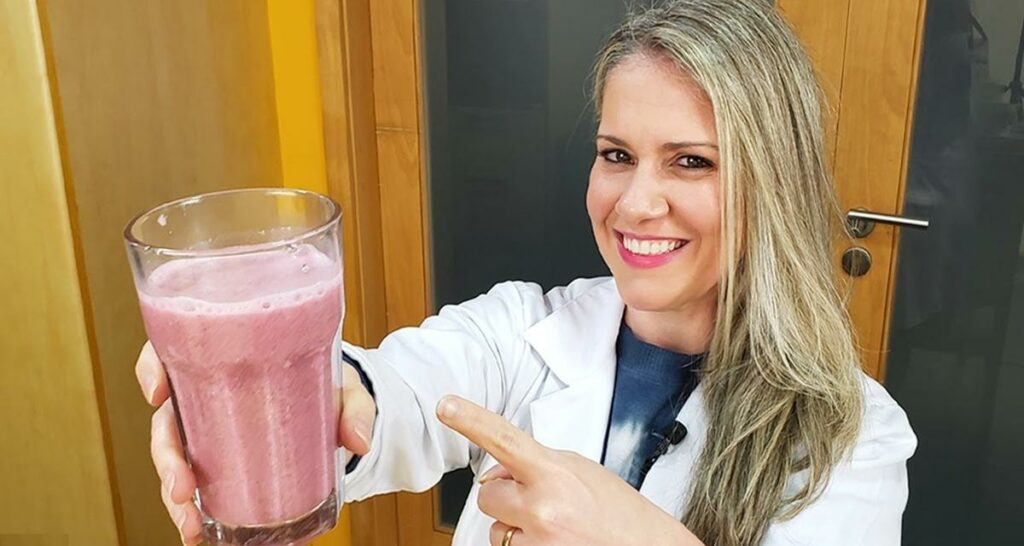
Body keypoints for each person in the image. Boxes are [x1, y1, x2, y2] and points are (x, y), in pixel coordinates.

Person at [137, 1, 917, 545]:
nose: (636, 202)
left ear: (772, 183)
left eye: (691, 162)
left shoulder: (853, 435)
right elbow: (400, 391)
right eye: (617, 155)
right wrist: (306, 396)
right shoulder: (522, 331)